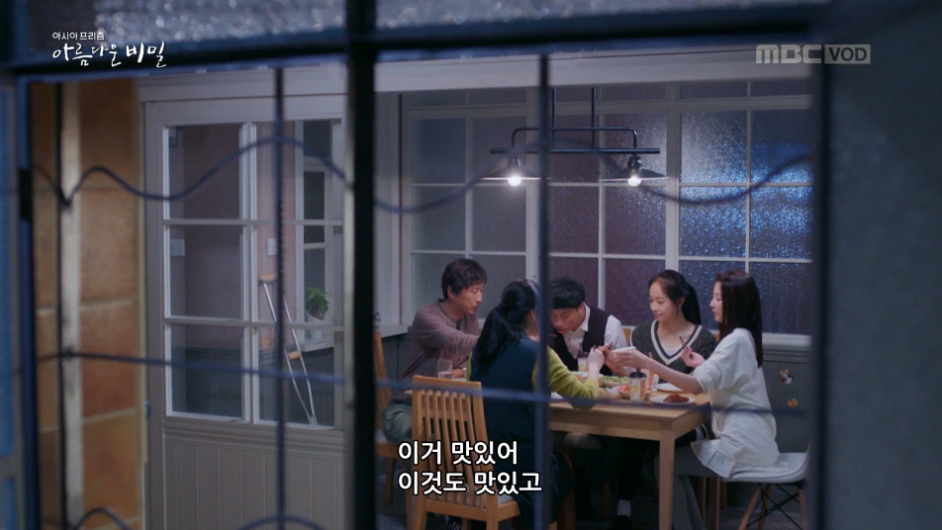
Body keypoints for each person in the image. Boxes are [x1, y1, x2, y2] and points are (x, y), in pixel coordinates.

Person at [611, 270, 779, 530]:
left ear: (736, 303)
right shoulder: (744, 337)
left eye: (718, 299)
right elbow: (726, 378)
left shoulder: (734, 341)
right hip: (758, 441)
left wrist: (648, 363)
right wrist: (702, 364)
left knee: (666, 463)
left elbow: (696, 385)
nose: (711, 304)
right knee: (666, 462)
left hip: (742, 446)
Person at [469, 279, 605, 529]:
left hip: (477, 463)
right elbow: (584, 399)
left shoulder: (480, 351)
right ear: (533, 313)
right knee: (563, 469)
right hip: (521, 468)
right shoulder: (539, 354)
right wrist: (594, 367)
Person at [606, 270, 717, 530]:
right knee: (630, 435)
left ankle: (673, 519)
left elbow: (703, 389)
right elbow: (638, 378)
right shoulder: (643, 333)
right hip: (648, 413)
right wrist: (618, 368)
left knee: (664, 443)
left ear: (679, 302)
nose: (654, 307)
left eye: (660, 301)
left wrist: (650, 366)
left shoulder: (702, 340)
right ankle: (624, 511)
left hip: (690, 421)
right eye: (650, 301)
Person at [381, 258, 487, 447]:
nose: (479, 298)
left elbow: (472, 360)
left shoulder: (469, 319)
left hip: (447, 409)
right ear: (451, 292)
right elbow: (457, 342)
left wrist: (458, 371)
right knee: (428, 441)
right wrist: (499, 339)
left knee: (477, 435)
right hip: (408, 407)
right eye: (474, 291)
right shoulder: (427, 316)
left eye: (481, 291)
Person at [549, 277, 629, 375]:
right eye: (552, 315)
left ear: (581, 307)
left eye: (565, 315)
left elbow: (626, 374)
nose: (558, 323)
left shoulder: (609, 325)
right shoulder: (543, 325)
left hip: (601, 384)